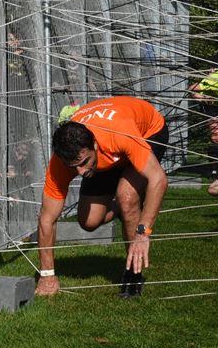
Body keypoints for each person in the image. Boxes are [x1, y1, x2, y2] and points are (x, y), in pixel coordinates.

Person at [35, 96, 169, 299]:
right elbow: (47, 218)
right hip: (108, 155)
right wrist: (47, 275)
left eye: (83, 162)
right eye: (73, 167)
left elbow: (159, 179)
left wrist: (143, 233)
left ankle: (133, 274)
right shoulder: (61, 164)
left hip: (148, 131)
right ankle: (123, 209)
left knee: (127, 197)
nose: (80, 173)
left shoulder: (119, 133)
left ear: (95, 146)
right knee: (89, 222)